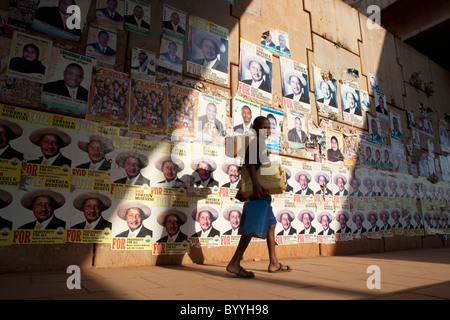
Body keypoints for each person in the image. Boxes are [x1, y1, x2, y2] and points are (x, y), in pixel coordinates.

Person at [226, 116, 291, 278]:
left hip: (261, 191)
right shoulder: (257, 142)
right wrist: (256, 185)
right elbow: (252, 166)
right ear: (255, 128)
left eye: (269, 128)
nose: (267, 131)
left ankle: (274, 263)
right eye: (264, 127)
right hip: (259, 192)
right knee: (250, 229)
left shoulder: (258, 142)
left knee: (271, 225)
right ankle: (234, 263)